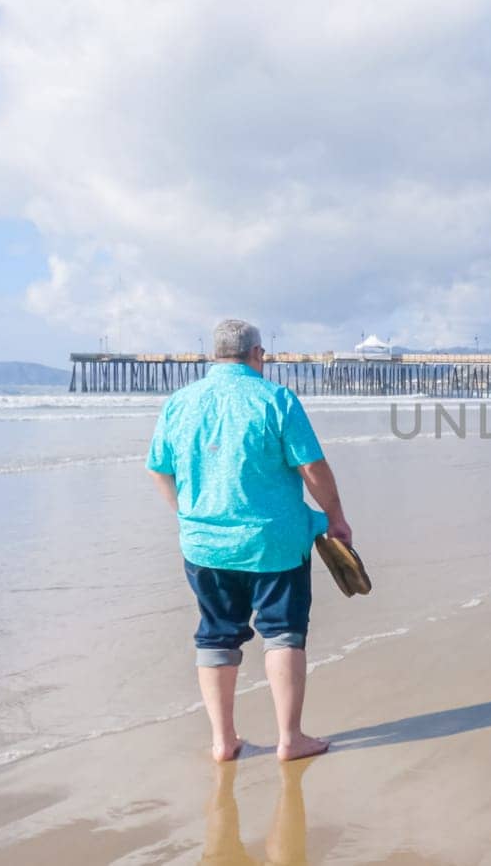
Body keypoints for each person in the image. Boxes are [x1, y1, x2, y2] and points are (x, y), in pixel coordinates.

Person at [148, 319, 352, 762]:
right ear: (258, 354)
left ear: (213, 355)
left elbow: (158, 469)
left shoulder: (180, 403)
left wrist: (185, 515)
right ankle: (290, 738)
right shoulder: (275, 398)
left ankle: (223, 741)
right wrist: (335, 517)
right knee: (283, 635)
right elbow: (312, 468)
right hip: (274, 544)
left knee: (216, 637)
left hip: (204, 545)